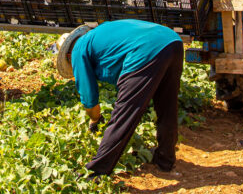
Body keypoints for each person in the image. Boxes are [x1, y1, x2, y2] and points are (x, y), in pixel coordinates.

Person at [53, 19, 184, 177]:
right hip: (171, 40)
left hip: (145, 50)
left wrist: (95, 119)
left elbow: (89, 98)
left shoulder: (78, 50)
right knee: (167, 106)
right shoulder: (99, 35)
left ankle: (97, 171)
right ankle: (165, 158)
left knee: (124, 114)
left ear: (68, 54)